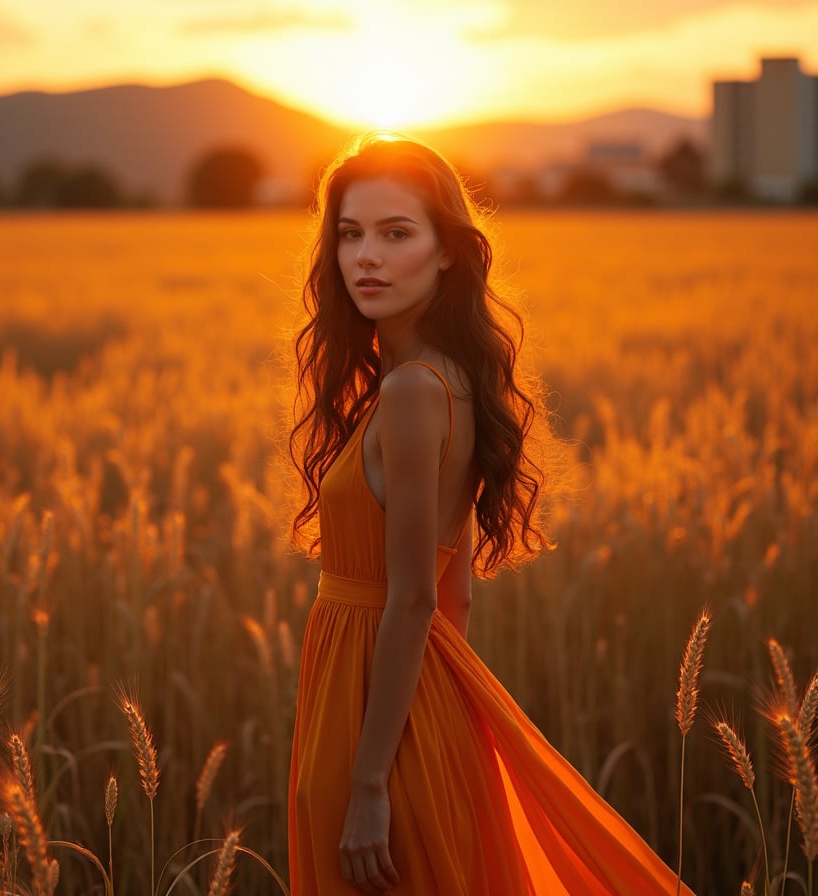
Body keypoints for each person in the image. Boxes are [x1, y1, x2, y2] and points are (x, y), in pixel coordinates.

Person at [287, 132, 693, 895]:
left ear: (448, 252)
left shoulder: (410, 393)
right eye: (350, 234)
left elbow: (412, 596)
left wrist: (371, 781)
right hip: (412, 704)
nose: (366, 256)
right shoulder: (450, 381)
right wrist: (439, 734)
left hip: (367, 716)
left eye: (396, 233)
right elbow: (456, 594)